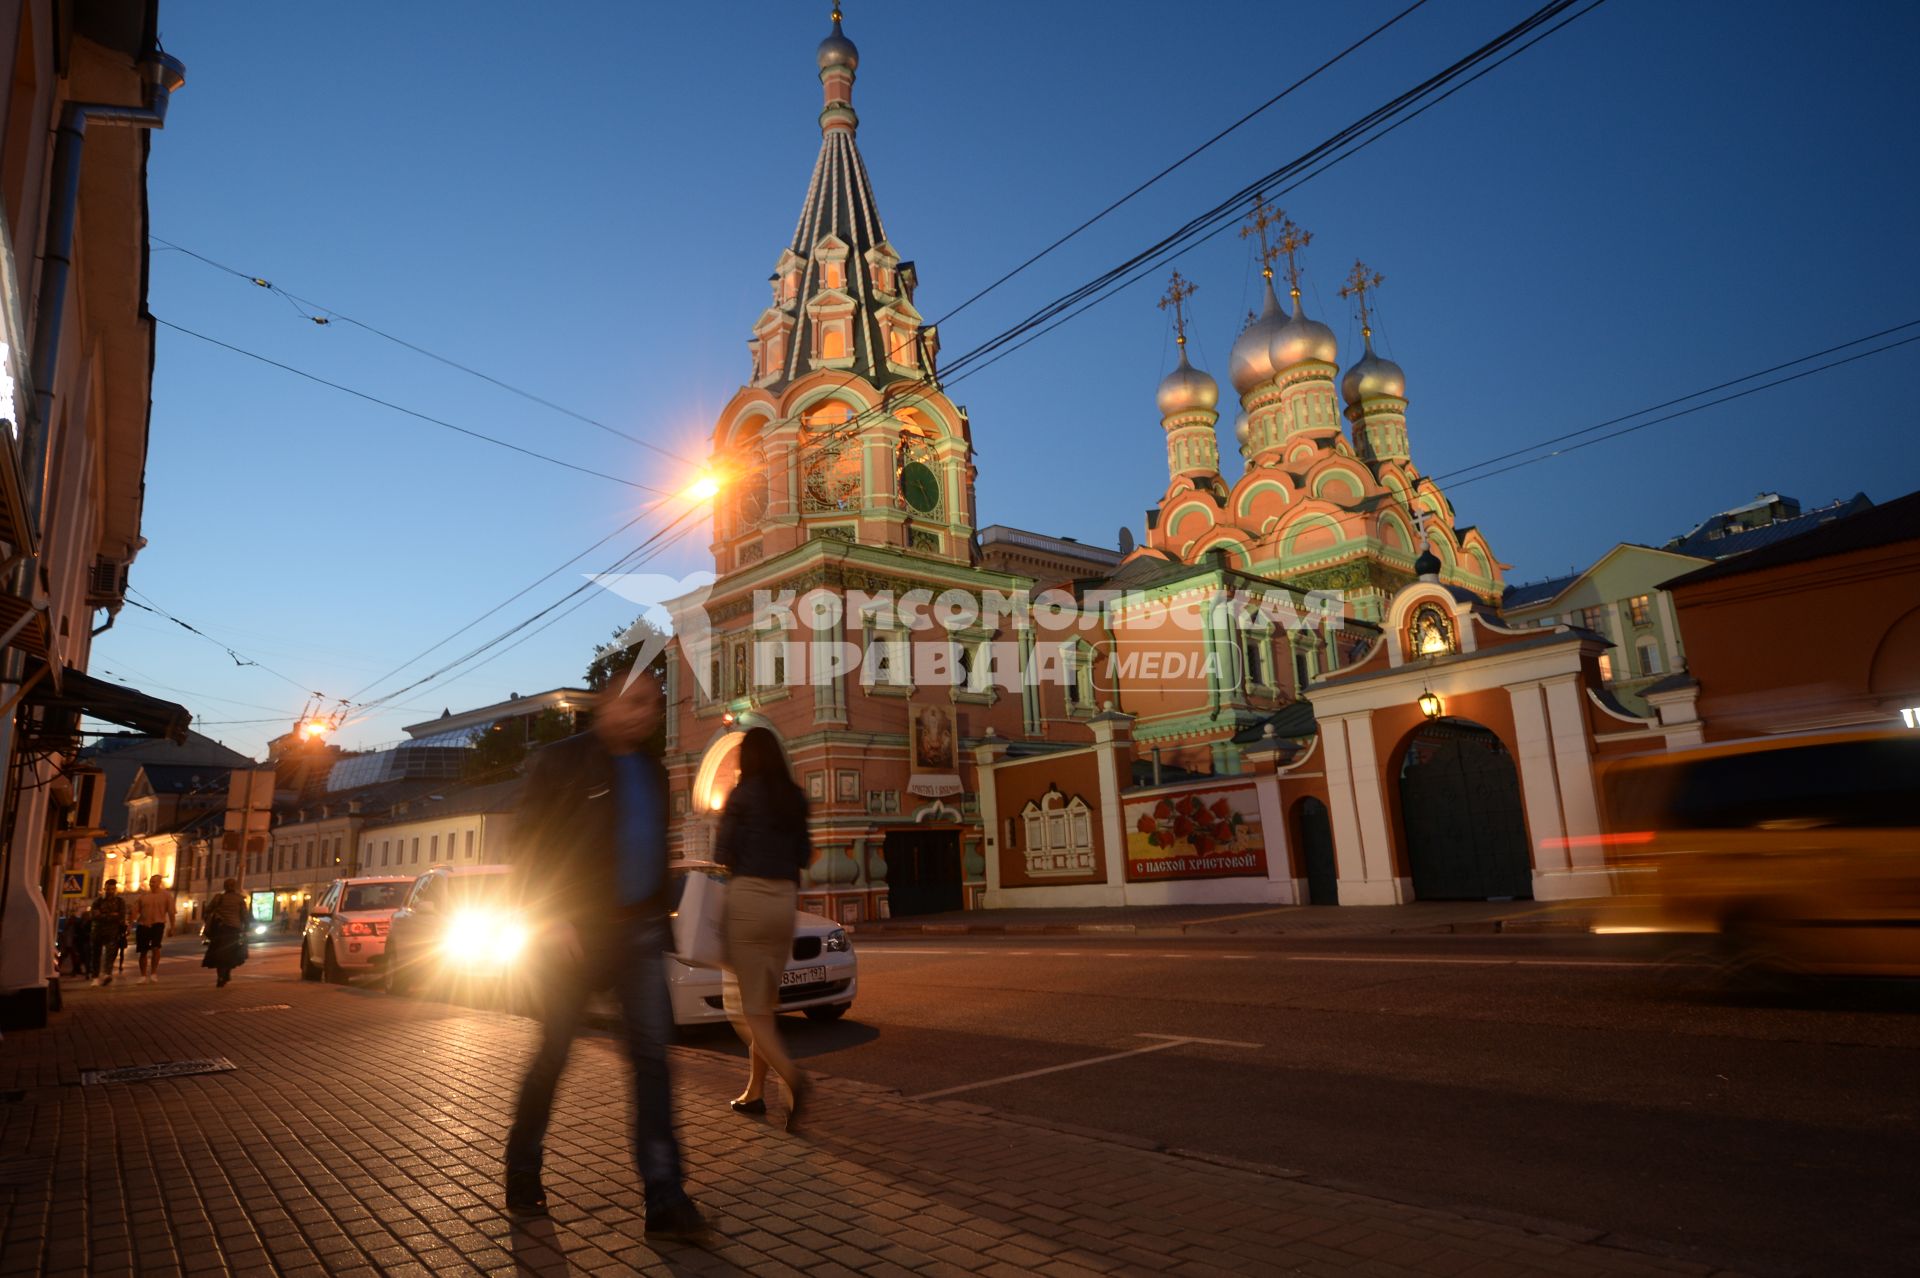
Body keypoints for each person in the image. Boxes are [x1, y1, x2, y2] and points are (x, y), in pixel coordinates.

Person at [503, 674, 707, 1240]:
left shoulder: (652, 771)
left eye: (655, 705)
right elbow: (528, 844)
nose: (646, 714)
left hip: (638, 933)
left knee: (652, 1061)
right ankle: (522, 1170)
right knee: (555, 1053)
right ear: (606, 704)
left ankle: (664, 1194)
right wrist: (547, 914)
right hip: (573, 934)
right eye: (635, 702)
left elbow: (651, 848)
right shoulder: (560, 762)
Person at [714, 727, 813, 1131]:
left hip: (749, 900)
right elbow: (805, 854)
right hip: (784, 903)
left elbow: (722, 853)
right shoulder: (794, 797)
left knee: (745, 1007)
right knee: (764, 1005)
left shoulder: (741, 795)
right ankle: (755, 1093)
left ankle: (793, 1078)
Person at [202, 879, 250, 987]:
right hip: (234, 930)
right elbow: (245, 916)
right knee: (232, 953)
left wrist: (210, 921)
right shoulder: (240, 899)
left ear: (224, 887)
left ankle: (221, 976)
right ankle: (226, 973)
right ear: (235, 887)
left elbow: (207, 911)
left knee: (219, 954)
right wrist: (246, 928)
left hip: (220, 930)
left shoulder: (218, 898)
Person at [132, 874, 175, 983]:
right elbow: (135, 910)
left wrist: (173, 927)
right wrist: (129, 924)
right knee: (143, 951)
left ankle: (153, 973)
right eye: (151, 882)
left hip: (158, 924)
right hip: (143, 924)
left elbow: (171, 912)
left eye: (154, 882)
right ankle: (142, 975)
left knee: (156, 948)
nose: (151, 884)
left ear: (159, 883)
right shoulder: (144, 895)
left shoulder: (166, 895)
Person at [88, 879, 129, 987]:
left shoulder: (120, 902)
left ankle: (107, 974)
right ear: (104, 889)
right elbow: (95, 916)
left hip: (112, 932)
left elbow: (121, 916)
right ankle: (95, 977)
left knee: (110, 954)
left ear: (115, 889)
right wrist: (112, 915)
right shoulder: (98, 901)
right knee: (96, 955)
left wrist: (105, 915)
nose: (110, 891)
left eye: (112, 889)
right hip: (97, 931)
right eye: (108, 889)